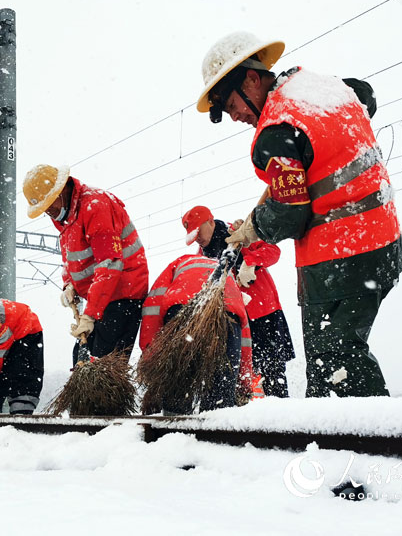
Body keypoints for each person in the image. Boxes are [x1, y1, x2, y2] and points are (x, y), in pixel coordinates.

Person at [196, 31, 402, 398]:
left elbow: (290, 215)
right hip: (382, 243)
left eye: (232, 106)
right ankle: (360, 437)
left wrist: (255, 227)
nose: (235, 117)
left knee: (333, 362)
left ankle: (373, 442)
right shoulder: (321, 89)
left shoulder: (276, 135)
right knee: (339, 357)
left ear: (251, 78)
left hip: (341, 257)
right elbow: (365, 95)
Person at [22, 164, 149, 365]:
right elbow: (73, 261)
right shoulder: (68, 219)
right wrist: (69, 285)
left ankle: (105, 397)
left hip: (122, 296)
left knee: (100, 365)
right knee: (81, 361)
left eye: (50, 206)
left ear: (61, 191)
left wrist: (90, 315)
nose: (49, 213)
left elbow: (110, 265)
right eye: (45, 210)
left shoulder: (94, 206)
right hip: (99, 299)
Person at [182, 204, 295, 397]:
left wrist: (250, 263)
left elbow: (272, 251)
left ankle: (279, 416)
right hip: (235, 321)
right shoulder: (202, 255)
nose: (198, 239)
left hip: (262, 313)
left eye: (199, 232)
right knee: (242, 376)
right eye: (193, 236)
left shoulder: (239, 234)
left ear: (210, 221)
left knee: (272, 372)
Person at [139, 254, 258, 413]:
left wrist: (152, 358)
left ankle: (172, 429)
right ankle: (216, 429)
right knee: (220, 399)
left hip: (182, 308)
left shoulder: (178, 263)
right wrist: (244, 383)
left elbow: (152, 308)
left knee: (178, 387)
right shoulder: (232, 286)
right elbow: (244, 342)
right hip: (228, 314)